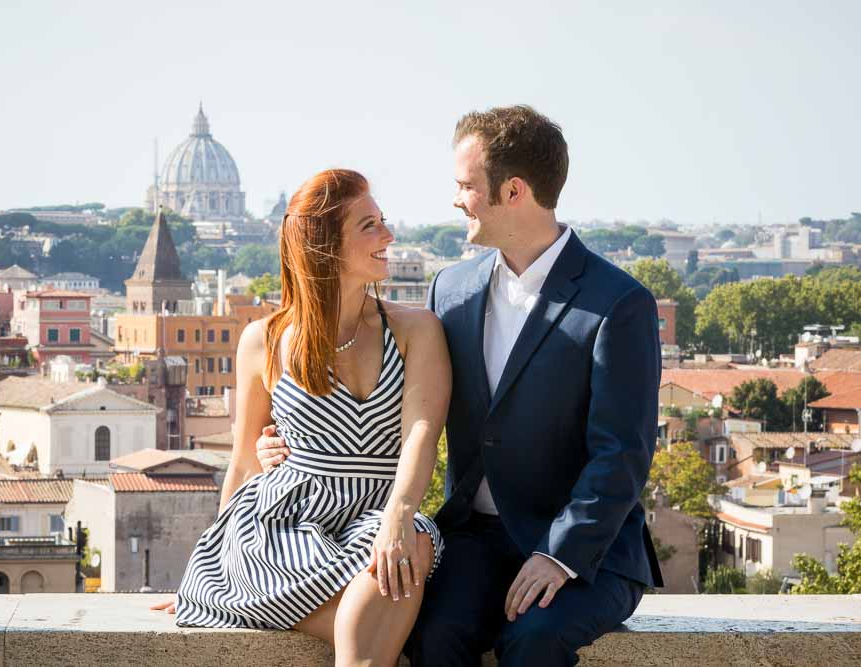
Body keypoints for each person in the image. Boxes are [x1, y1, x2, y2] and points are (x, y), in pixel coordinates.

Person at [257, 106, 663, 666]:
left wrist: (561, 556)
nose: (455, 198)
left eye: (466, 185)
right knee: (430, 637)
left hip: (586, 550)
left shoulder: (618, 303)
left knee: (532, 641)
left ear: (514, 191)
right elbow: (399, 401)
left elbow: (623, 453)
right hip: (476, 543)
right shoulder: (451, 290)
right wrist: (279, 443)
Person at [153, 168, 451, 667]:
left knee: (411, 543)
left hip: (378, 516)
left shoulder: (416, 329)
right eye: (369, 226)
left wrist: (398, 516)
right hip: (281, 527)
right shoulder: (263, 339)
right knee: (386, 603)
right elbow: (246, 463)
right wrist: (208, 568)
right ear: (326, 246)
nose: (389, 236)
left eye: (383, 221)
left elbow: (422, 432)